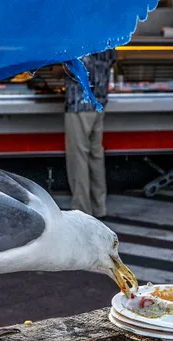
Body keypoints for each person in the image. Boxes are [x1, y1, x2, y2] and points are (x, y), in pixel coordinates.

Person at [64, 49, 117, 218]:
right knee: (95, 156)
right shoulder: (109, 39)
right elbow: (112, 62)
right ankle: (99, 207)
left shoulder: (77, 40)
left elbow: (69, 68)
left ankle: (82, 210)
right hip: (99, 102)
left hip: (79, 103)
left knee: (78, 156)